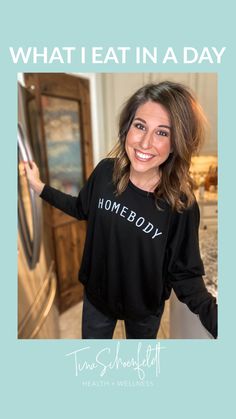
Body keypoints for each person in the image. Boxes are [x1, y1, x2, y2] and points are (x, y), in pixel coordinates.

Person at [24, 81, 217, 339]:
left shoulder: (181, 204)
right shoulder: (106, 172)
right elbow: (80, 207)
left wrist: (216, 317)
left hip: (144, 311)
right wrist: (39, 187)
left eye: (162, 133)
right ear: (127, 128)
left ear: (175, 143)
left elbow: (185, 273)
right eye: (140, 126)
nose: (145, 142)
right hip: (97, 299)